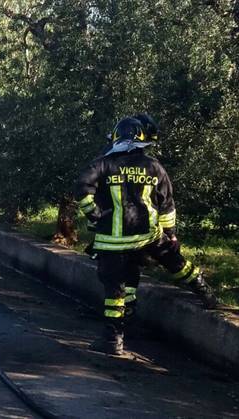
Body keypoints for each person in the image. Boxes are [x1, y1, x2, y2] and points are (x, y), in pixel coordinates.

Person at [75, 116, 218, 356]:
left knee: (114, 292)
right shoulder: (154, 166)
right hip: (148, 236)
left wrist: (94, 215)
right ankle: (204, 290)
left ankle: (113, 340)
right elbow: (167, 204)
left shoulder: (102, 164)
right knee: (176, 263)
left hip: (112, 241)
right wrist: (170, 234)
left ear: (116, 137)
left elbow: (82, 189)